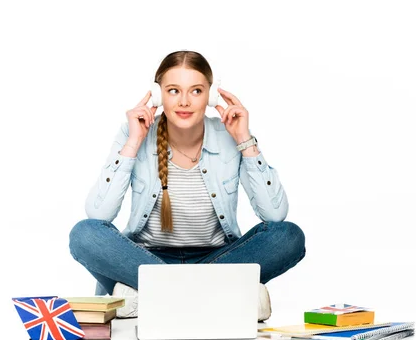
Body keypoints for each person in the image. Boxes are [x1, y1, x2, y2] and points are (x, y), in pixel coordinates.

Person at [68, 50, 306, 322]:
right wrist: (133, 142)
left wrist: (244, 139)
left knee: (288, 236)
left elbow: (274, 215)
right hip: (141, 261)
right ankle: (218, 298)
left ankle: (154, 297)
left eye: (195, 91)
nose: (184, 101)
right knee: (84, 234)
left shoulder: (230, 136)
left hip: (217, 260)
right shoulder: (133, 133)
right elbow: (99, 215)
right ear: (157, 95)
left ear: (211, 95)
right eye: (173, 90)